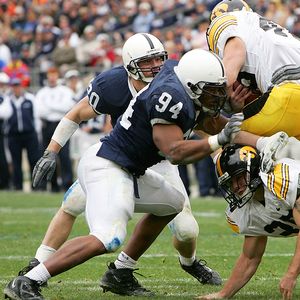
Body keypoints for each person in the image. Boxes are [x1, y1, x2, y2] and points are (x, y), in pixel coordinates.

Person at [4, 49, 243, 300]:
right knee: (107, 235)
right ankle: (29, 279)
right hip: (111, 161)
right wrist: (52, 151)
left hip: (138, 164)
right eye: (145, 60)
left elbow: (211, 127)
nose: (154, 66)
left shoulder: (177, 83)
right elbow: (176, 149)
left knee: (173, 205)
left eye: (157, 59)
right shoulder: (122, 86)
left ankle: (122, 272)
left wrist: (256, 139)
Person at [197, 143, 300, 300]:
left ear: (252, 170)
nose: (235, 187)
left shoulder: (282, 180)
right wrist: (223, 295)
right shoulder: (247, 209)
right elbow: (250, 258)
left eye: (238, 178)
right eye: (230, 183)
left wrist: (291, 274)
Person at [206, 0, 300, 139]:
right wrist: (237, 107)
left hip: (289, 93)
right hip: (289, 96)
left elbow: (233, 58)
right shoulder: (261, 26)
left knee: (229, 137)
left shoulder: (224, 23)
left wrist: (224, 100)